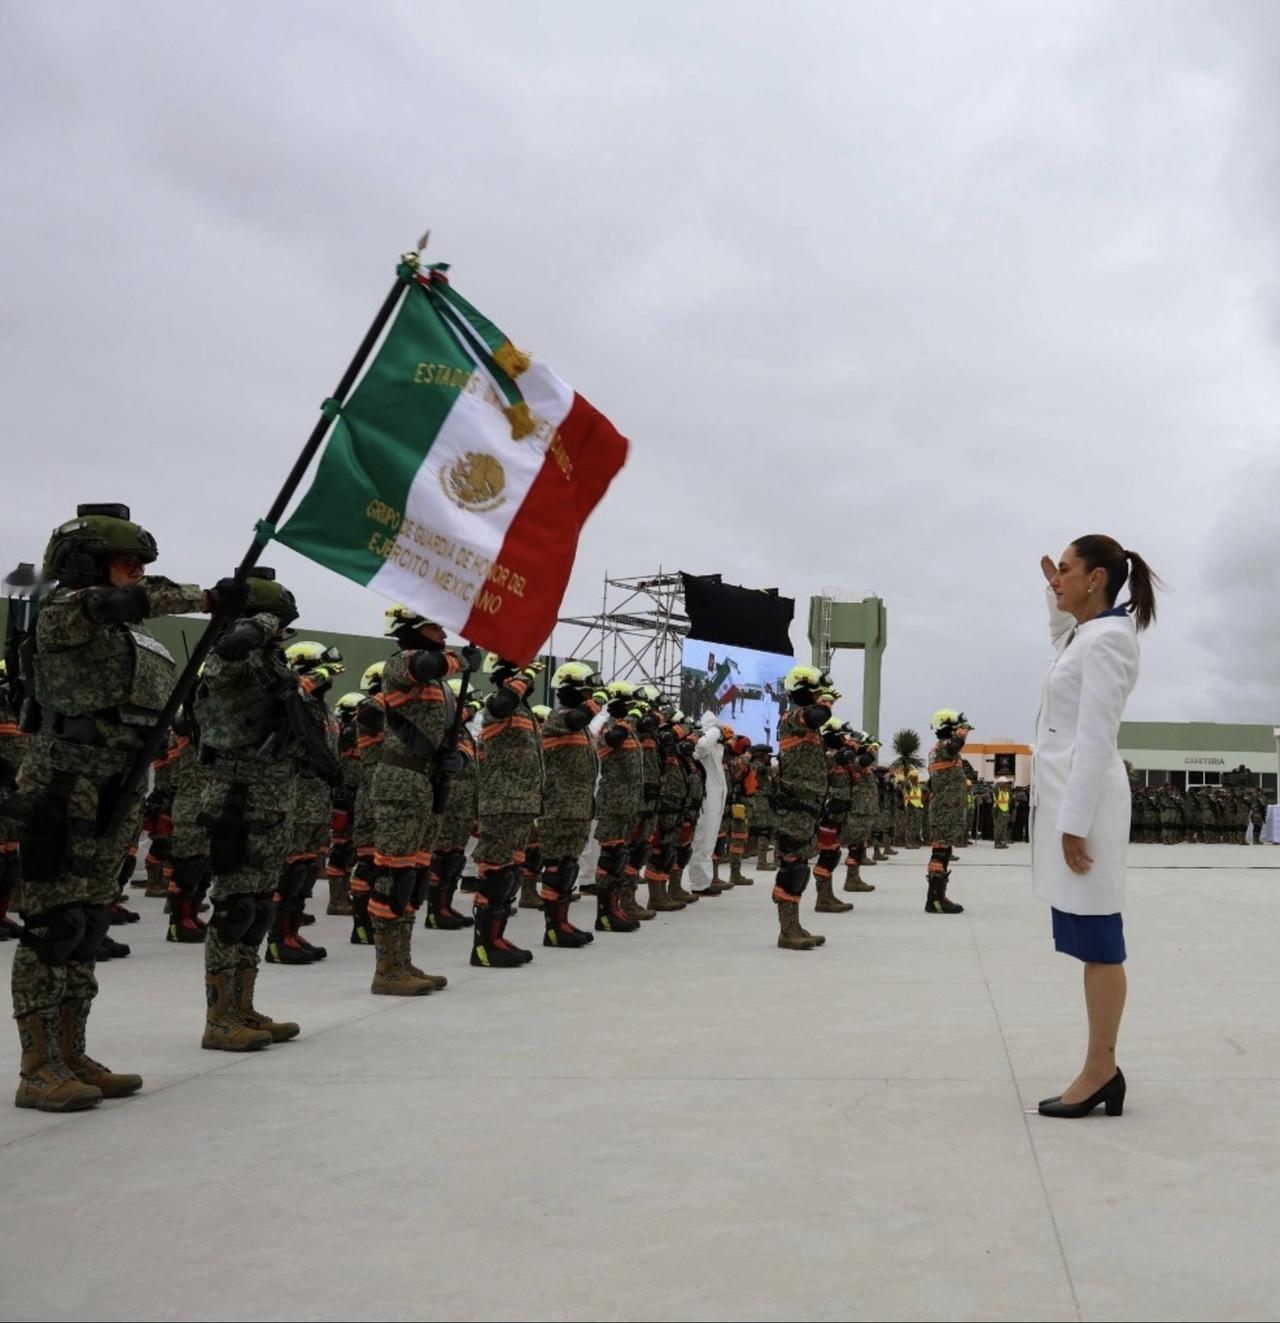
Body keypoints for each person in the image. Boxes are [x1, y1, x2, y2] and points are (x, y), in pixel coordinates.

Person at [1033, 537, 1160, 1119]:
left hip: (1086, 811)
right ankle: (1100, 1069)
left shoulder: (1109, 639)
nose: (1057, 577)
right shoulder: (1083, 634)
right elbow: (1061, 635)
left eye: (1066, 570)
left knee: (1101, 941)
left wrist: (1074, 824)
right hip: (1071, 806)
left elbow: (1096, 737)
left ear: (1097, 577)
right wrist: (1054, 595)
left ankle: (1101, 1071)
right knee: (1089, 939)